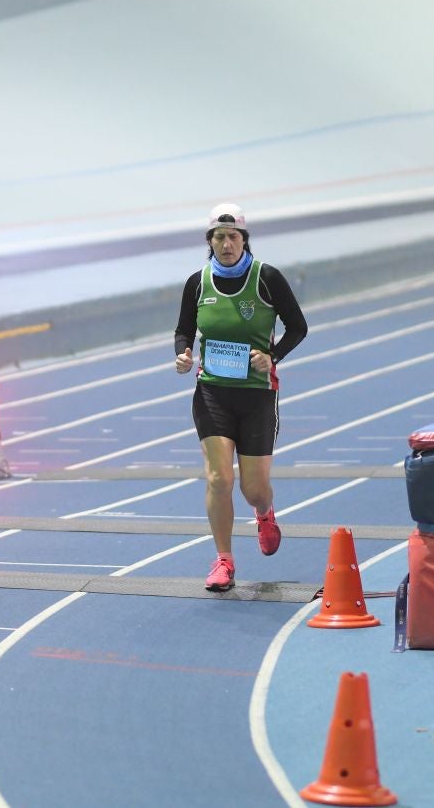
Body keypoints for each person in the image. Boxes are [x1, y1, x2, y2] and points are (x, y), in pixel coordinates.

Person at [173, 204, 308, 592]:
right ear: (210, 242)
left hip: (256, 396)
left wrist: (273, 356)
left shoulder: (266, 278)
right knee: (219, 479)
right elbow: (183, 330)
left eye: (234, 237)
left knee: (253, 489)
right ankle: (223, 561)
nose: (227, 244)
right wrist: (183, 354)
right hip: (212, 391)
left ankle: (264, 513)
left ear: (244, 240)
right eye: (220, 237)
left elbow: (298, 327)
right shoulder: (197, 283)